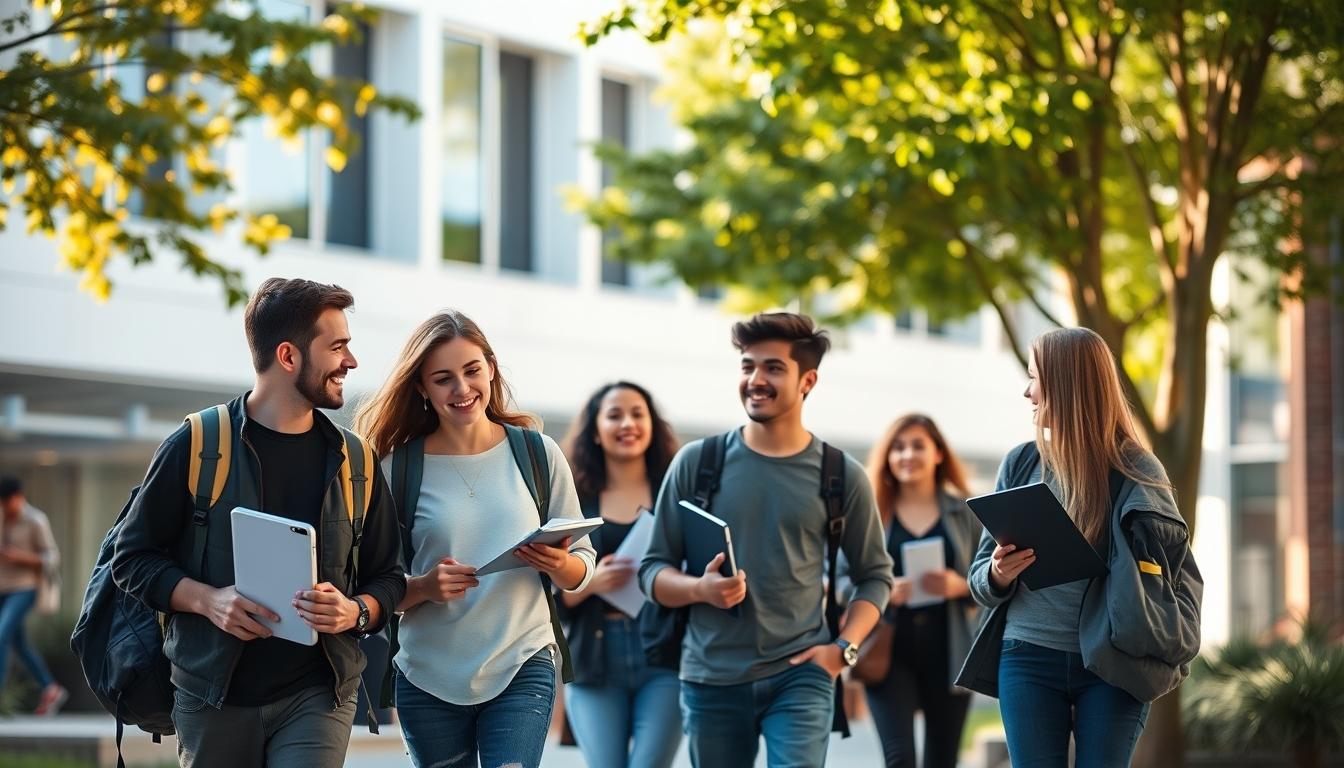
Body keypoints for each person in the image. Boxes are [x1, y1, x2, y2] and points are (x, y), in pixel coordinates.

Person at [111, 278, 406, 767]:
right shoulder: (197, 444)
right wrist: (209, 602)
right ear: (288, 357)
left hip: (319, 694)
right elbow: (132, 559)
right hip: (212, 695)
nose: (350, 363)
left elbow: (390, 576)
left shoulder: (357, 461)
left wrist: (354, 612)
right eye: (337, 347)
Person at [639, 311, 894, 768]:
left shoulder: (841, 475)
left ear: (807, 381)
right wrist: (700, 589)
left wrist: (842, 651)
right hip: (711, 677)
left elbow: (875, 577)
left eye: (773, 367)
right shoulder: (697, 463)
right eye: (748, 366)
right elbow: (651, 570)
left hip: (802, 673)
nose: (756, 379)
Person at [354, 310, 596, 768]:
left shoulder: (537, 453)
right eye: (443, 379)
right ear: (422, 388)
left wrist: (561, 566)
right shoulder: (395, 470)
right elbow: (374, 585)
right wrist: (424, 587)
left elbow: (582, 559)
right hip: (427, 676)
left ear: (491, 368)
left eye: (472, 371)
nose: (462, 389)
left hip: (522, 658)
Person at [964, 327, 1190, 767]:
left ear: (1066, 385)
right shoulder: (1021, 462)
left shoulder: (1138, 471)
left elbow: (1167, 572)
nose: (1027, 392)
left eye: (1035, 379)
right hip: (1026, 656)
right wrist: (997, 573)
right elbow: (978, 581)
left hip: (1112, 661)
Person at [558, 381, 683, 768]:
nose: (627, 423)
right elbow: (551, 597)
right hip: (596, 657)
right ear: (595, 430)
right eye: (614, 415)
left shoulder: (676, 491)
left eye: (637, 413)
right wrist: (590, 582)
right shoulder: (572, 497)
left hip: (664, 654)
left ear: (652, 425)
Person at [860, 415, 981, 768]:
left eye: (917, 446)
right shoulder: (870, 512)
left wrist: (962, 585)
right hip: (887, 652)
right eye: (897, 448)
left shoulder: (966, 511)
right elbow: (839, 578)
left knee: (941, 761)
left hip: (950, 653)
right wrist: (881, 591)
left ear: (938, 454)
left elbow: (993, 574)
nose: (906, 455)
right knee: (899, 759)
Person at [0, 477, 66, 715]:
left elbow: (51, 558)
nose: (6, 508)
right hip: (2, 589)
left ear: (18, 497)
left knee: (1, 635)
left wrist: (18, 557)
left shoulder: (35, 520)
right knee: (18, 642)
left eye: (8, 503)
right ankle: (50, 687)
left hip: (24, 587)